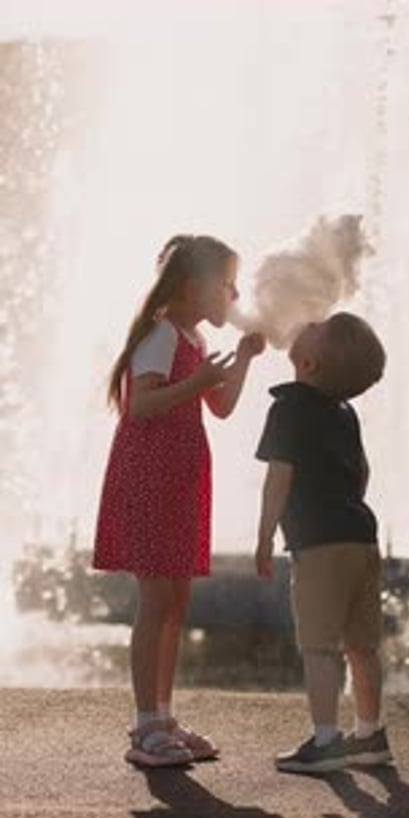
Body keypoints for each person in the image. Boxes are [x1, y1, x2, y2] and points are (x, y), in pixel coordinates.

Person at [93, 234, 264, 768]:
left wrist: (243, 360)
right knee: (155, 601)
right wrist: (200, 382)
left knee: (176, 602)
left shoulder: (188, 335)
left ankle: (164, 717)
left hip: (180, 478)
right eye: (227, 284)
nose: (235, 295)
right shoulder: (162, 334)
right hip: (150, 476)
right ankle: (145, 727)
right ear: (194, 286)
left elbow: (224, 406)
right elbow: (141, 405)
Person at [255, 311, 391, 773]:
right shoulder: (345, 412)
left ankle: (326, 740)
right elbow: (364, 471)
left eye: (315, 327)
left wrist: (264, 534)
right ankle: (371, 736)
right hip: (361, 538)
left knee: (319, 647)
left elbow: (279, 479)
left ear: (308, 363)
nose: (305, 319)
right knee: (362, 645)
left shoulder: (288, 408)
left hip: (319, 544)